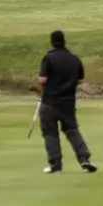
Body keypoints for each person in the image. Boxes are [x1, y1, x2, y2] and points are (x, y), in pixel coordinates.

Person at [37, 30, 96, 174]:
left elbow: (43, 79)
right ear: (64, 41)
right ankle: (84, 159)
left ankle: (55, 165)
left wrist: (40, 85)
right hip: (68, 102)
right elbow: (80, 80)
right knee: (72, 130)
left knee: (50, 133)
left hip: (50, 101)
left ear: (52, 42)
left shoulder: (48, 58)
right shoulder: (74, 59)